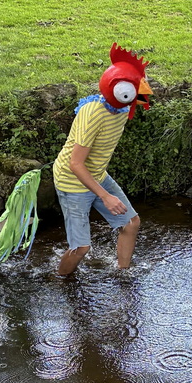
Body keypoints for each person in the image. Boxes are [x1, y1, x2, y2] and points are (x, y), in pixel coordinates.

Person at [53, 43, 153, 276]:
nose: (144, 93)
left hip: (96, 174)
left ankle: (122, 274)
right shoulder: (93, 114)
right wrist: (105, 196)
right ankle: (59, 281)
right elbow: (75, 164)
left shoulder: (121, 108)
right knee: (81, 248)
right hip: (72, 181)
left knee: (131, 223)